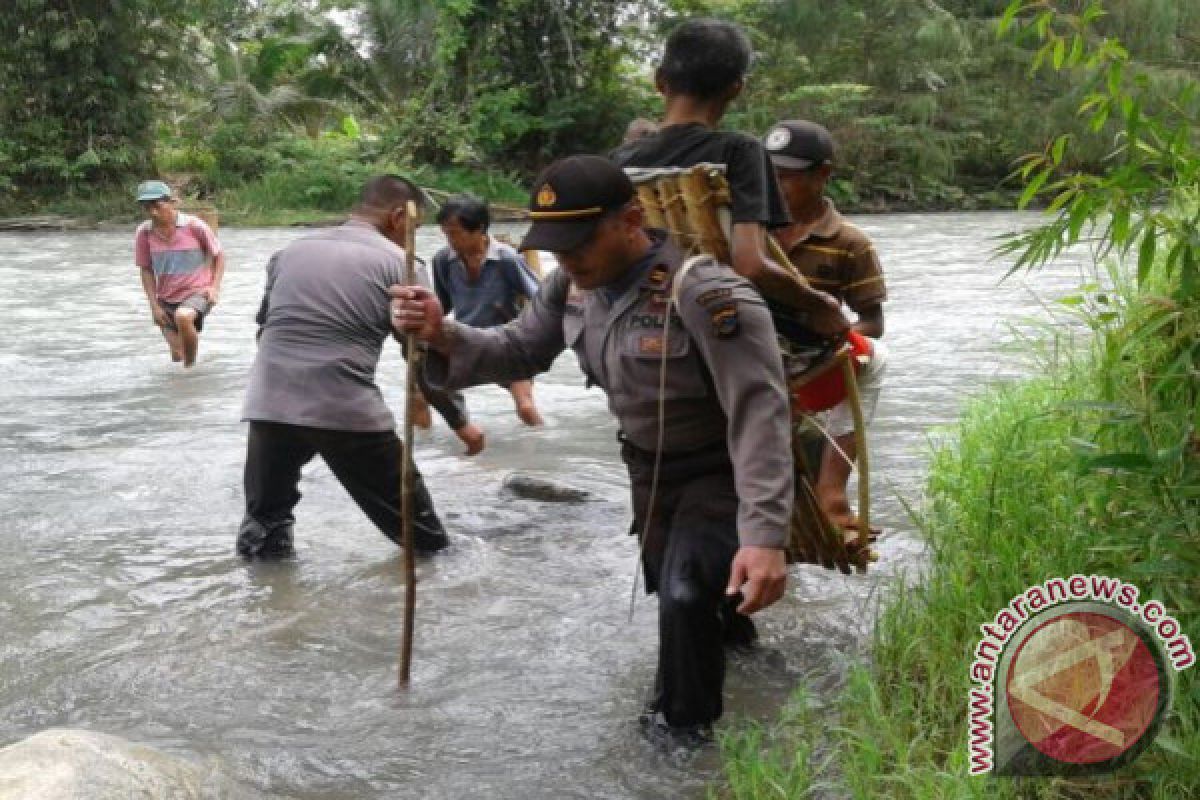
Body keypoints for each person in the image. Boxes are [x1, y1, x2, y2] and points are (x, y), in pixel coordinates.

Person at [390, 156, 792, 749]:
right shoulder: (570, 286)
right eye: (555, 246)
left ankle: (678, 747)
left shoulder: (706, 293)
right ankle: (754, 664)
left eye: (579, 243)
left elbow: (761, 415)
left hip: (720, 465)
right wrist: (439, 331)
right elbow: (516, 349)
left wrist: (765, 537)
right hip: (648, 468)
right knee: (687, 593)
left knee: (683, 597)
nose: (566, 259)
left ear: (630, 221)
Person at [237, 174, 473, 559]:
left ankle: (270, 607)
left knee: (264, 528)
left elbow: (266, 331)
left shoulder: (289, 252)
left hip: (268, 403)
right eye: (413, 228)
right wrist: (461, 422)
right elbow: (420, 356)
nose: (408, 237)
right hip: (345, 409)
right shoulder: (402, 262)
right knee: (425, 541)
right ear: (399, 217)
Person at [609, 18, 849, 343]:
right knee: (865, 359)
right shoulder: (739, 151)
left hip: (642, 324)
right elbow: (750, 264)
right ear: (737, 87)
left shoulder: (619, 161)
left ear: (659, 81)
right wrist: (818, 303)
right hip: (724, 326)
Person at [765, 120, 888, 533]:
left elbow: (872, 323)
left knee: (876, 358)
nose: (776, 186)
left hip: (811, 361)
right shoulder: (750, 233)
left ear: (822, 175)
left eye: (787, 177)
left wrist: (830, 343)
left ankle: (832, 494)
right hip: (752, 355)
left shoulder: (850, 243)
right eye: (770, 175)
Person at [432, 194, 544, 428]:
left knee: (526, 408)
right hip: (465, 340)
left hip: (505, 344)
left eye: (455, 233)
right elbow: (443, 305)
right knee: (424, 395)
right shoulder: (444, 260)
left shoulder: (506, 259)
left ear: (479, 229)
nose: (450, 240)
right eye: (446, 234)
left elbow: (541, 299)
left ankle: (542, 454)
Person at [133, 180, 225, 367]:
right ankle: (187, 381)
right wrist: (154, 306)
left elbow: (219, 255)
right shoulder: (144, 233)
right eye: (147, 207)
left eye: (157, 206)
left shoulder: (194, 226)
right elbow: (146, 269)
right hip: (165, 298)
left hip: (197, 292)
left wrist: (214, 288)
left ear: (171, 202)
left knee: (183, 316)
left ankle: (190, 371)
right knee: (177, 354)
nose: (153, 212)